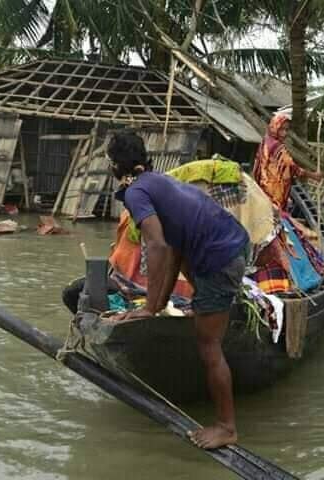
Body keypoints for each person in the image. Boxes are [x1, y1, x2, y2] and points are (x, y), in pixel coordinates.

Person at [107, 131, 250, 449]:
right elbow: (172, 252)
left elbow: (157, 244)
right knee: (201, 312)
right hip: (234, 245)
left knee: (208, 345)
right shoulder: (157, 181)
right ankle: (207, 309)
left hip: (221, 258)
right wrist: (152, 306)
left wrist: (147, 308)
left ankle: (227, 427)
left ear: (116, 166)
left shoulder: (136, 192)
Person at [252, 113, 323, 210]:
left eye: (286, 130)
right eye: (281, 129)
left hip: (262, 188)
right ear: (274, 127)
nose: (284, 133)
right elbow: (291, 167)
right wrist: (313, 175)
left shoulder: (265, 141)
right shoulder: (277, 146)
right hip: (273, 191)